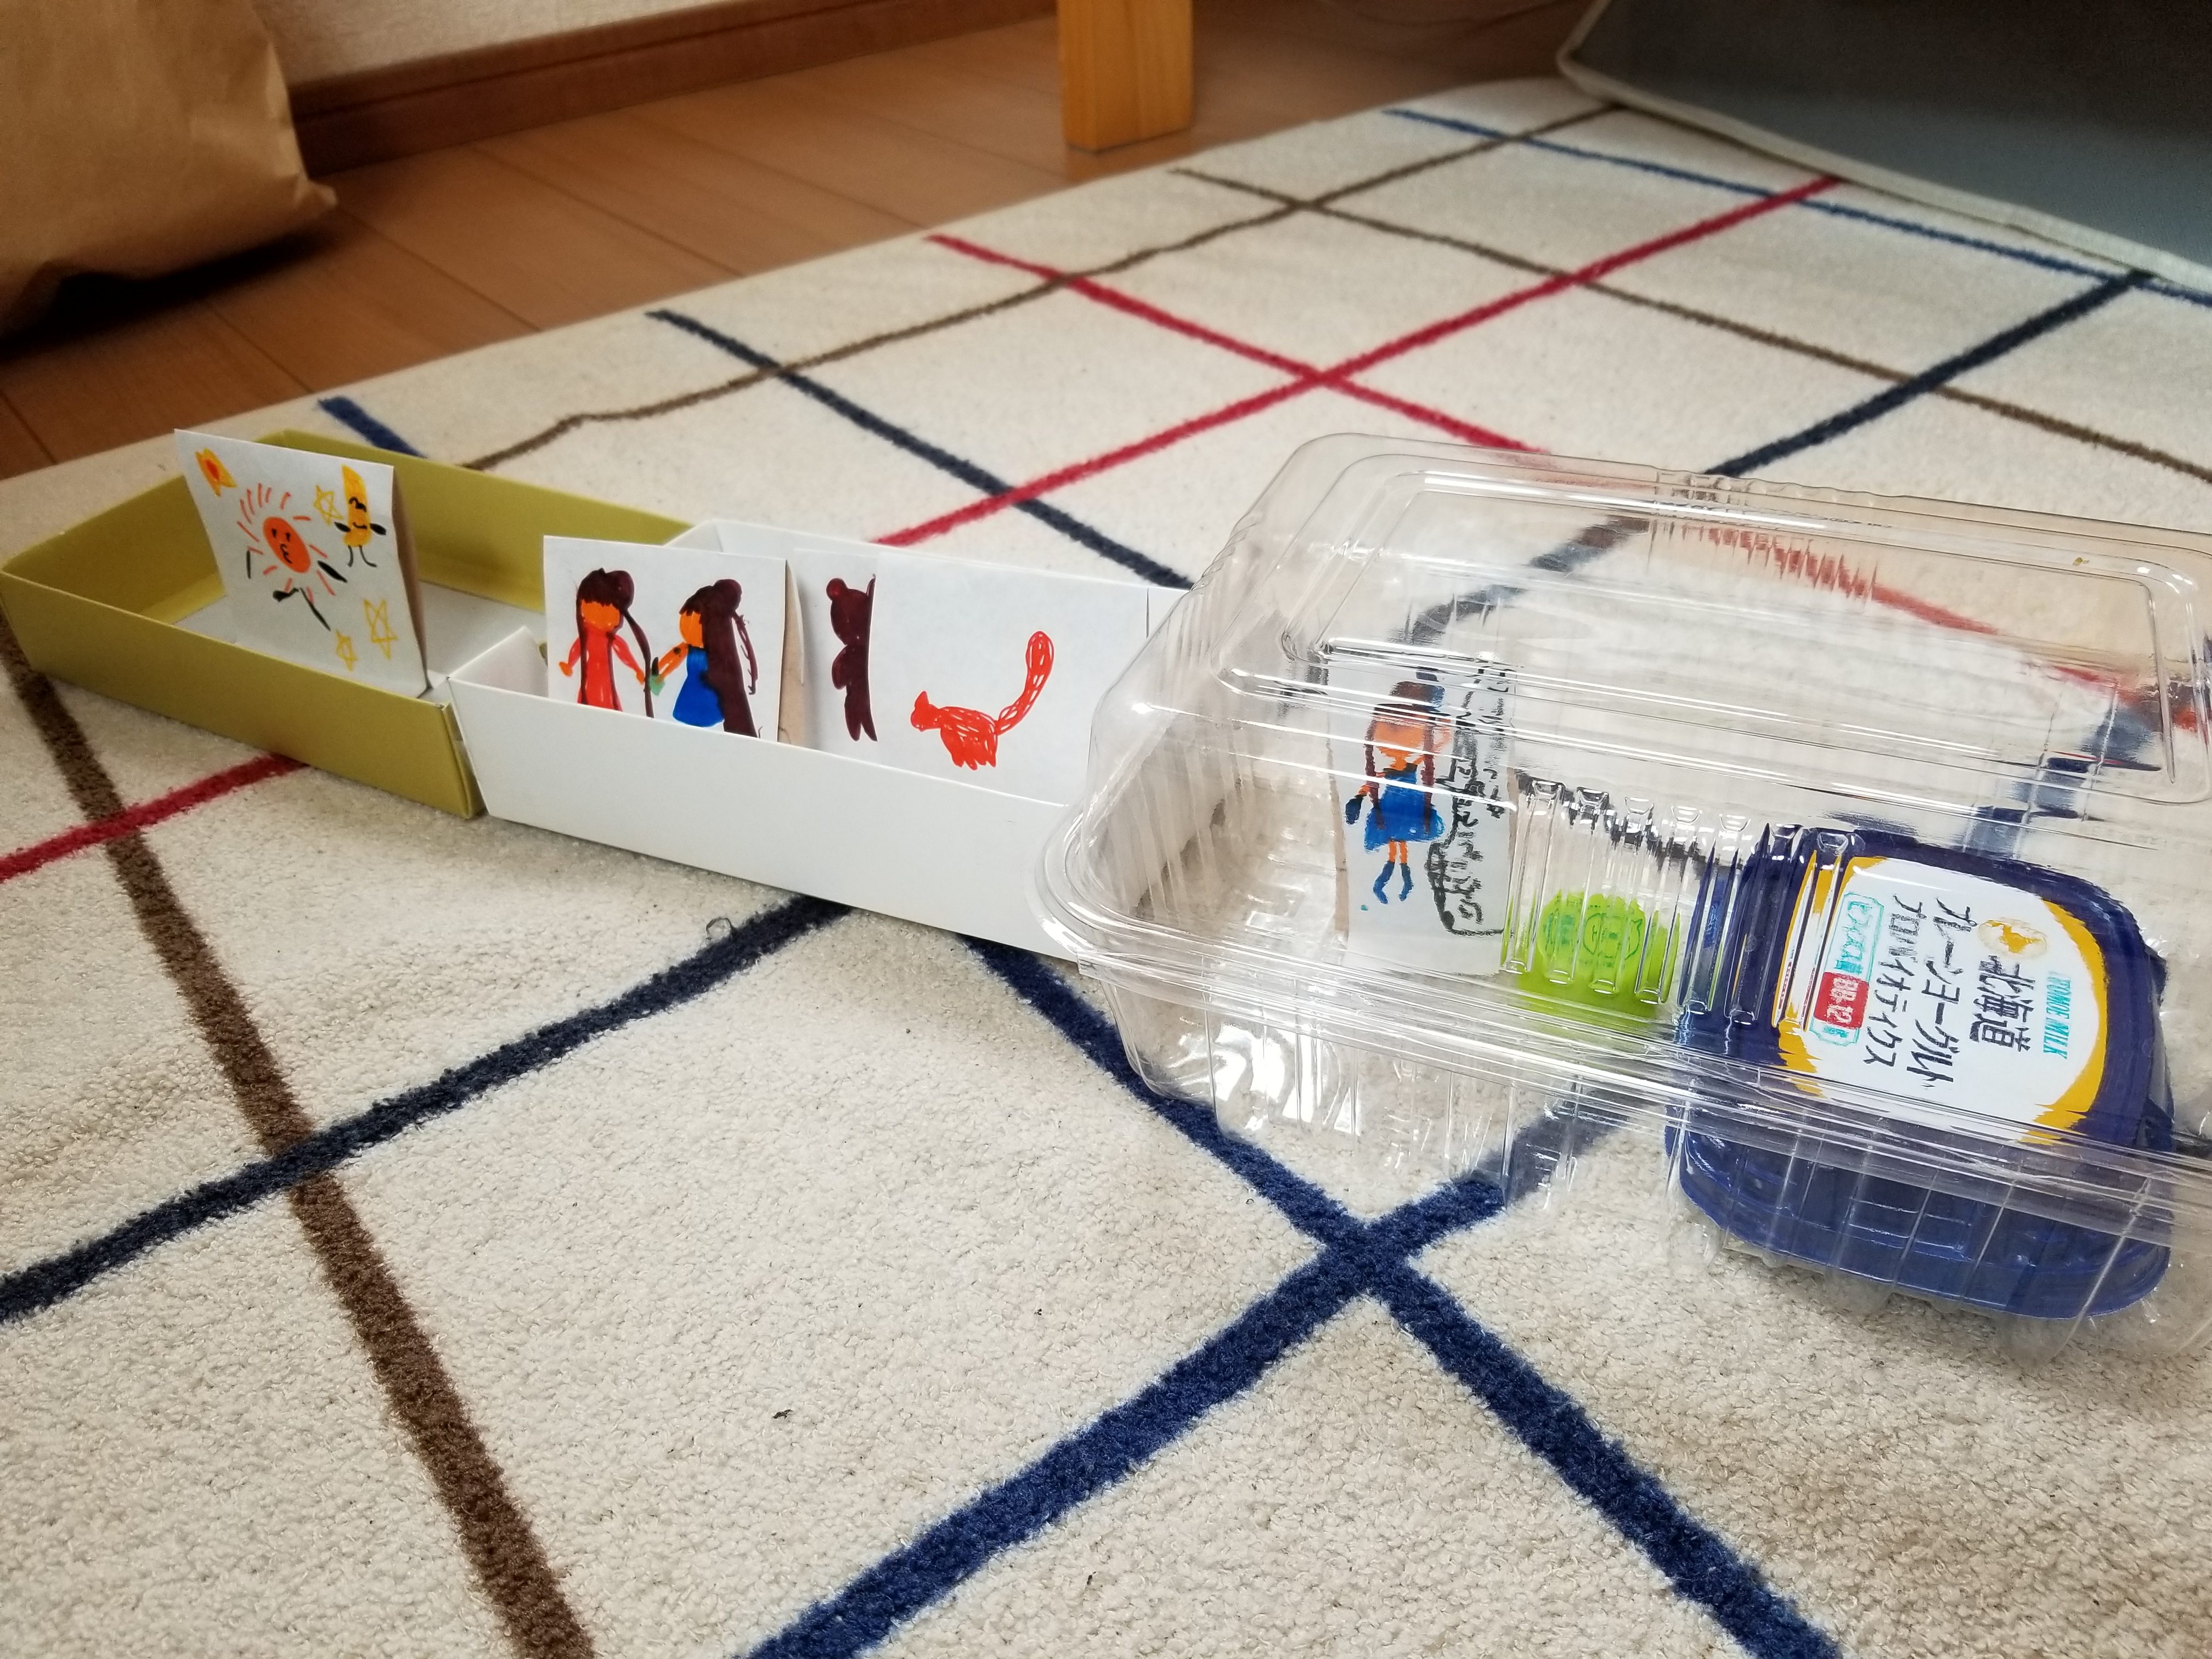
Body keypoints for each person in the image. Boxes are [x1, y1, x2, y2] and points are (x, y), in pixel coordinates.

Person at [1344, 679, 1447, 904]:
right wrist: (1358, 798)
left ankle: (1402, 885)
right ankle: (1392, 886)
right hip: (1399, 809)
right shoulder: (1401, 765)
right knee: (1396, 850)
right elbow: (1374, 781)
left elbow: (1431, 752)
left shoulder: (1411, 762)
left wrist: (1359, 797)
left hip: (1402, 808)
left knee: (1399, 850)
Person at [655, 579, 759, 736]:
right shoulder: (690, 647)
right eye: (686, 617)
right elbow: (674, 657)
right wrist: (660, 674)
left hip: (707, 700)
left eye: (696, 621)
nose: (686, 627)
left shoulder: (716, 657)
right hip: (690, 693)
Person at [557, 568, 651, 713]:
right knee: (589, 697)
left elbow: (623, 653)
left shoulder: (610, 639)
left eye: (609, 608)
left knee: (606, 697)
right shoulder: (587, 635)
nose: (601, 612)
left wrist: (636, 669)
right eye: (593, 606)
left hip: (605, 678)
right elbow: (577, 648)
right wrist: (569, 664)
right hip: (590, 677)